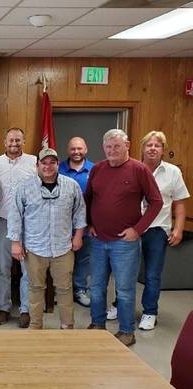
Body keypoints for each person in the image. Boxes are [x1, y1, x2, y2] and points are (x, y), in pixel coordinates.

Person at [84, 129, 162, 347]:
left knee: (125, 290)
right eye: (108, 147)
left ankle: (127, 331)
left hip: (124, 243)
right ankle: (97, 325)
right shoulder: (98, 169)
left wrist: (138, 230)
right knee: (97, 287)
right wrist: (90, 223)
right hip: (98, 241)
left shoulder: (139, 170)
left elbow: (156, 202)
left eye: (116, 146)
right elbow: (88, 198)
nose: (112, 151)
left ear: (127, 145)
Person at [8, 148, 86, 330]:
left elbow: (80, 212)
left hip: (63, 248)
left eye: (52, 162)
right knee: (35, 288)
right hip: (34, 248)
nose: (48, 166)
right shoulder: (24, 187)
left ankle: (67, 325)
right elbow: (15, 215)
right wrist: (15, 242)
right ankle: (36, 326)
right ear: (37, 166)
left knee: (65, 289)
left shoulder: (71, 185)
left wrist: (79, 236)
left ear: (58, 164)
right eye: (44, 163)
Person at [138, 131, 190, 330]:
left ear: (162, 150)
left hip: (157, 230)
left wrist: (178, 229)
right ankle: (119, 304)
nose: (152, 148)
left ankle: (150, 312)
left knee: (152, 274)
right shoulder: (132, 168)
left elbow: (179, 203)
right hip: (132, 229)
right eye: (149, 145)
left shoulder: (172, 172)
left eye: (157, 146)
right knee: (125, 271)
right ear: (142, 148)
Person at [0, 128, 36, 327]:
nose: (14, 143)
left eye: (18, 140)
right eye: (11, 140)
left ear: (23, 142)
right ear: (4, 142)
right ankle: (3, 307)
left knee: (28, 270)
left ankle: (26, 309)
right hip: (3, 222)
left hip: (29, 224)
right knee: (3, 268)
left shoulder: (34, 162)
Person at [58, 136, 95, 307]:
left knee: (82, 260)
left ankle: (79, 290)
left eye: (79, 148)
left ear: (86, 149)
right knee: (61, 260)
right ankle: (62, 290)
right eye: (73, 149)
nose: (76, 152)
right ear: (68, 150)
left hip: (86, 225)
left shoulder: (95, 170)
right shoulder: (59, 169)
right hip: (62, 225)